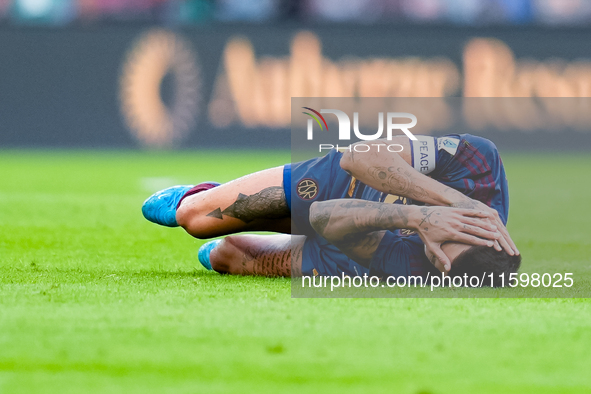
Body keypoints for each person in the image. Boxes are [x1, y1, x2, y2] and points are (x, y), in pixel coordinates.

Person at [142, 134, 519, 278]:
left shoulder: (422, 267)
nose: (432, 247)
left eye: (437, 259)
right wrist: (451, 201)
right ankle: (207, 194)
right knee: (195, 219)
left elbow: (324, 220)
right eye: (446, 236)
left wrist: (416, 217)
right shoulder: (479, 163)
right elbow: (358, 158)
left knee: (224, 256)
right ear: (478, 223)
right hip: (343, 180)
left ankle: (245, 220)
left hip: (352, 245)